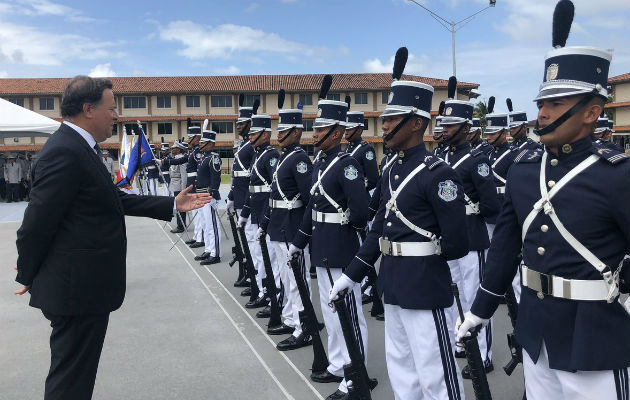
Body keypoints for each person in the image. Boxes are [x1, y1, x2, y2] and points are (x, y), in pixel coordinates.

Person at [457, 2, 629, 398]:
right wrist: (481, 309)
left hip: (598, 337)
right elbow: (504, 247)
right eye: (540, 103)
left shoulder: (617, 174)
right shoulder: (523, 168)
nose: (542, 114)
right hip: (537, 332)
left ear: (592, 112)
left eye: (555, 104)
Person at [13, 75, 211, 400]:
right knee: (70, 380)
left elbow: (109, 199)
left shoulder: (79, 148)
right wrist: (28, 272)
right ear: (89, 109)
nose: (116, 115)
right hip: (75, 289)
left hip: (84, 287)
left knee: (76, 376)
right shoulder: (64, 151)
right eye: (112, 108)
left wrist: (170, 203)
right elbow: (36, 223)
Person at [330, 58, 468, 399]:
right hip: (392, 283)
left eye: (392, 119)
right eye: (385, 118)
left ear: (417, 124)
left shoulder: (438, 174)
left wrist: (423, 258)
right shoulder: (392, 169)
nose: (385, 126)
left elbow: (457, 243)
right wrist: (352, 275)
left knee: (436, 375)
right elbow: (378, 229)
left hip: (424, 286)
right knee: (403, 372)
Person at [290, 82, 370, 400]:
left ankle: (356, 375)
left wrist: (344, 223)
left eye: (322, 128)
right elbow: (312, 208)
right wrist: (298, 242)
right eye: (316, 126)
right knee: (331, 312)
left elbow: (361, 211)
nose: (315, 132)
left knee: (348, 314)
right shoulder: (321, 163)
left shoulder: (347, 165)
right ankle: (339, 365)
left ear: (336, 133)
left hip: (340, 247)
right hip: (321, 247)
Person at [439, 81, 500, 375]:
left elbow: (491, 205)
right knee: (453, 294)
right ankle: (459, 341)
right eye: (444, 125)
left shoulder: (477, 160)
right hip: (451, 237)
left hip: (473, 237)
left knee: (474, 296)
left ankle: (484, 355)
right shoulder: (443, 158)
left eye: (451, 126)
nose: (445, 130)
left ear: (466, 128)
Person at [259, 101, 314, 348]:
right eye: (278, 131)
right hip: (280, 226)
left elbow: (308, 198)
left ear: (296, 132)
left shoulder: (300, 159)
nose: (279, 135)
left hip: (292, 227)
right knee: (285, 277)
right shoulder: (285, 158)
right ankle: (291, 319)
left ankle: (305, 327)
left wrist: (302, 233)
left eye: (283, 132)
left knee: (297, 280)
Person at [238, 113, 280, 309]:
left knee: (269, 256)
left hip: (266, 211)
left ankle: (272, 294)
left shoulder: (271, 155)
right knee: (259, 254)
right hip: (256, 210)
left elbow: (274, 187)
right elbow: (252, 187)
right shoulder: (257, 154)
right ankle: (264, 290)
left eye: (254, 134)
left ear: (265, 135)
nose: (250, 137)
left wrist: (265, 216)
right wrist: (245, 213)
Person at [194, 129, 222, 265]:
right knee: (205, 224)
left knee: (212, 226)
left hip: (208, 195)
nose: (200, 144)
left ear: (210, 144)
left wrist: (212, 194)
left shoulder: (213, 158)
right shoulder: (204, 157)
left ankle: (216, 253)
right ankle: (209, 249)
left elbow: (216, 178)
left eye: (203, 142)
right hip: (201, 195)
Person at [168, 141, 189, 233]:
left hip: (179, 186)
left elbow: (184, 175)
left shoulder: (182, 160)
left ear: (179, 149)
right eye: (172, 148)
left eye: (174, 148)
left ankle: (181, 226)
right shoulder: (175, 158)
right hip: (174, 185)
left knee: (180, 206)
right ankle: (180, 224)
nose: (172, 150)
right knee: (177, 206)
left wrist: (184, 189)